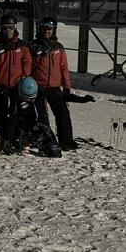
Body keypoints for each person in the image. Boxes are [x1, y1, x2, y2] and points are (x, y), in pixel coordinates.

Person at [29, 17, 77, 151]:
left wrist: (66, 86)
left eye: (50, 29)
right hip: (38, 87)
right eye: (45, 28)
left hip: (54, 87)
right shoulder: (33, 46)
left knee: (63, 115)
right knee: (42, 116)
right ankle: (46, 141)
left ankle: (66, 142)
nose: (47, 31)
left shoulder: (58, 47)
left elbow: (64, 68)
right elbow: (28, 66)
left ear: (54, 30)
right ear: (40, 29)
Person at [0, 13, 32, 150]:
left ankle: (12, 138)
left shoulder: (22, 45)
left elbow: (27, 62)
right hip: (1, 85)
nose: (8, 31)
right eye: (5, 28)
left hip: (17, 85)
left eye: (11, 27)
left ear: (15, 28)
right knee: (0, 113)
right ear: (1, 28)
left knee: (15, 113)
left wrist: (24, 78)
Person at [3, 77, 62, 158]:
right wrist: (8, 141)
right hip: (23, 129)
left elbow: (44, 120)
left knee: (55, 152)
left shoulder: (41, 96)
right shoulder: (16, 100)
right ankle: (23, 143)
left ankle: (41, 144)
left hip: (40, 128)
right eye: (26, 98)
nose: (29, 100)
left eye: (31, 98)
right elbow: (13, 121)